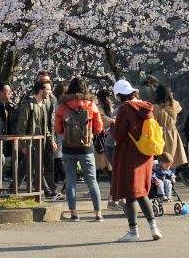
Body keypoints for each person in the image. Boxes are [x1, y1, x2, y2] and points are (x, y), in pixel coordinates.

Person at [111, 78, 161, 242]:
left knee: (132, 192)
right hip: (145, 154)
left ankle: (133, 232)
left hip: (130, 154)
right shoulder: (146, 107)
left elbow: (119, 135)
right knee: (140, 191)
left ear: (119, 95)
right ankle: (154, 228)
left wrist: (111, 126)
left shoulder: (125, 108)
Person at [53, 77, 104, 221]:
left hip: (68, 148)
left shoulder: (62, 106)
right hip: (86, 148)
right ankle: (98, 213)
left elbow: (58, 128)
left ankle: (74, 213)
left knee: (70, 181)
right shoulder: (91, 105)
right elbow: (99, 127)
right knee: (92, 181)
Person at [16, 77, 59, 200]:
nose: (50, 92)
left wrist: (51, 140)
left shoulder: (44, 105)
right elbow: (21, 126)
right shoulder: (29, 105)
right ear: (41, 90)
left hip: (42, 142)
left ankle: (13, 187)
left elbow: (45, 127)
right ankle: (47, 192)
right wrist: (23, 144)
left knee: (26, 165)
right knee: (37, 166)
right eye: (48, 89)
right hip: (31, 142)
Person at [153, 85, 188, 170]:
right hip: (173, 132)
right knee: (172, 158)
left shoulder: (155, 107)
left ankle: (163, 179)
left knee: (161, 159)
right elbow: (181, 113)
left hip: (160, 134)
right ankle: (171, 177)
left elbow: (153, 122)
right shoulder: (175, 104)